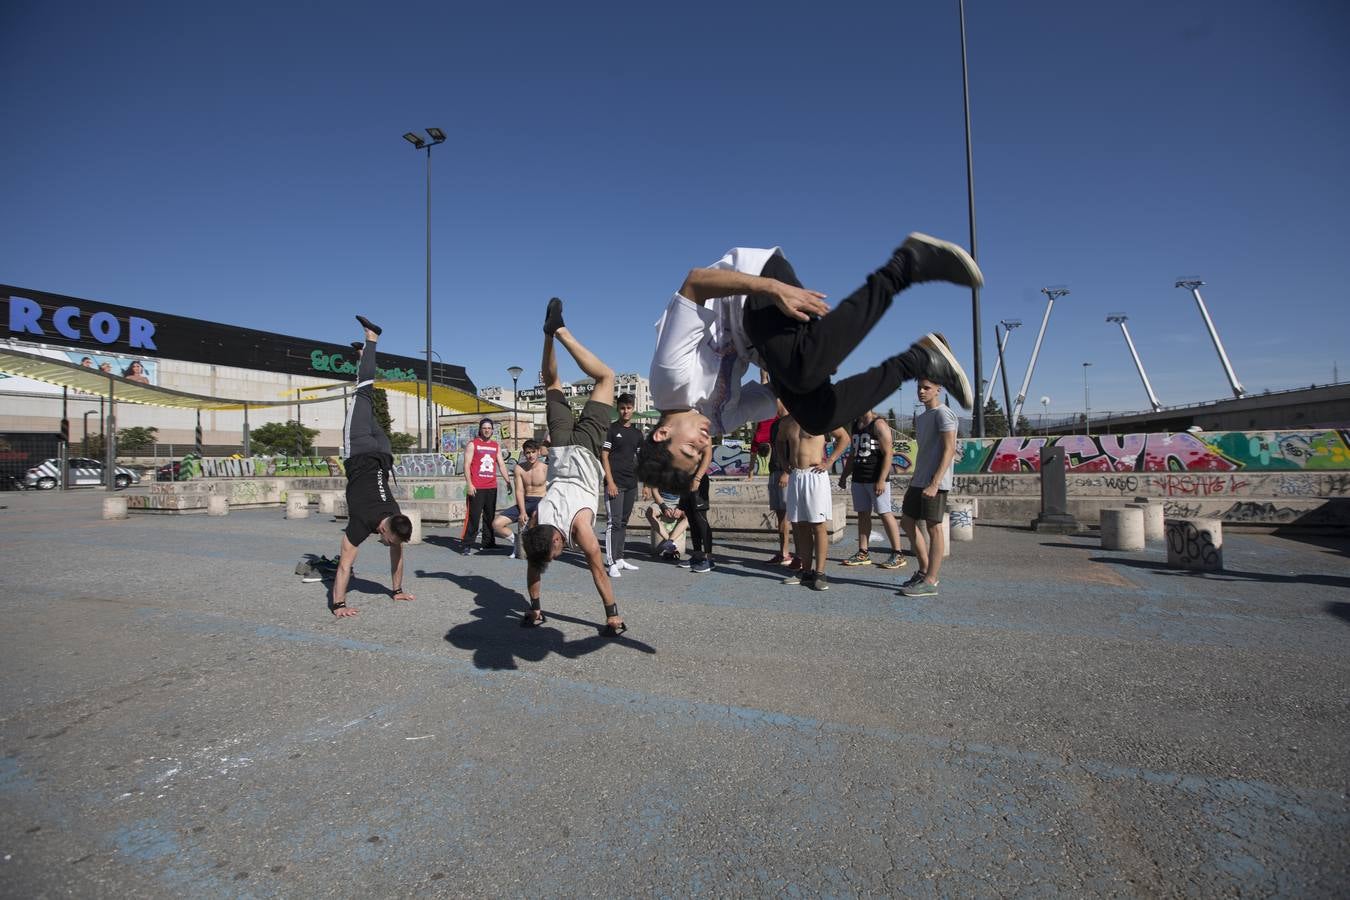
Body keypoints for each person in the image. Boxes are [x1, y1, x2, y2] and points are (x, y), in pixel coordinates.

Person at [637, 234, 980, 493]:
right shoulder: (719, 421)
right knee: (817, 416)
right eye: (699, 456)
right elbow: (777, 395)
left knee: (804, 369)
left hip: (755, 285)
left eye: (689, 449)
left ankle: (906, 264)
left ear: (661, 432)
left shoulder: (669, 378)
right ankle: (917, 359)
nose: (702, 446)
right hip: (760, 340)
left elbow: (694, 282)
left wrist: (771, 288)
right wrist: (818, 364)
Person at [518, 299, 626, 636]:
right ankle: (550, 336)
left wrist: (613, 616)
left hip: (586, 451)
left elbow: (597, 568)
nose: (555, 556)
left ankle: (561, 331)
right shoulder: (535, 527)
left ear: (554, 545)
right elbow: (534, 563)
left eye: (553, 554)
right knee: (553, 384)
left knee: (606, 377)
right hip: (562, 451)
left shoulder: (579, 527)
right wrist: (533, 610)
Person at [329, 315, 415, 618]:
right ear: (387, 532)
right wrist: (338, 605)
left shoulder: (394, 518)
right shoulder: (363, 523)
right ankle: (372, 338)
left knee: (366, 402)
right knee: (363, 393)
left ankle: (363, 357)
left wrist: (397, 590)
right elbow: (343, 565)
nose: (393, 545)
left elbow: (395, 553)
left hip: (384, 452)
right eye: (392, 542)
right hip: (363, 450)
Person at [899, 379, 959, 597]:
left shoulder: (944, 413)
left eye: (926, 388)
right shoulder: (922, 417)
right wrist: (916, 479)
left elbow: (949, 449)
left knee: (934, 528)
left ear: (938, 389)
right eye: (919, 388)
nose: (922, 392)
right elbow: (925, 451)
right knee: (906, 521)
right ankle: (924, 570)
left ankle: (931, 581)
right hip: (919, 479)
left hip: (936, 482)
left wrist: (935, 482)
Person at [780, 418, 850, 591]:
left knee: (818, 525)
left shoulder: (817, 416)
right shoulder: (786, 422)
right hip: (796, 475)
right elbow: (779, 441)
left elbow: (844, 437)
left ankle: (820, 573)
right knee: (800, 525)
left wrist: (830, 461)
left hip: (815, 474)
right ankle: (806, 570)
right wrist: (782, 461)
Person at [838, 410, 907, 570]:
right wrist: (844, 476)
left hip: (875, 478)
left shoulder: (879, 424)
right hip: (859, 477)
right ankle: (863, 552)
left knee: (884, 513)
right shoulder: (855, 424)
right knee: (862, 514)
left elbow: (888, 453)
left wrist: (881, 480)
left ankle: (898, 553)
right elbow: (853, 454)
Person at [601, 392, 643, 578]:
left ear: (633, 409)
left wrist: (646, 484)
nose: (626, 411)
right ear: (618, 409)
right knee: (614, 522)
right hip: (614, 483)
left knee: (623, 523)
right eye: (622, 408)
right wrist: (610, 481)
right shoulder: (611, 429)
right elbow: (604, 456)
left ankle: (619, 558)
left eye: (629, 407)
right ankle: (610, 562)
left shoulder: (637, 433)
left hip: (631, 483)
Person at [491, 439, 547, 557]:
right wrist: (522, 511)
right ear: (524, 453)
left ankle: (533, 549)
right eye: (528, 453)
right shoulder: (519, 468)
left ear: (538, 452)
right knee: (497, 524)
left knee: (535, 519)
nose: (530, 455)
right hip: (525, 502)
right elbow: (519, 491)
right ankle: (517, 541)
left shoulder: (545, 468)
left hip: (541, 501)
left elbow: (552, 490)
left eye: (533, 452)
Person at [461, 418, 508, 554]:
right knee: (473, 517)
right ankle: (467, 544)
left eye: (489, 428)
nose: (487, 430)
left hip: (491, 487)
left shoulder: (495, 446)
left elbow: (502, 464)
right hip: (476, 487)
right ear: (480, 430)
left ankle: (488, 543)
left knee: (489, 517)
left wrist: (507, 480)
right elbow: (466, 465)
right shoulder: (473, 444)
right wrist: (469, 484)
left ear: (492, 430)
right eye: (484, 428)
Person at [677, 442, 714, 574]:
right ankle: (697, 555)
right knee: (692, 520)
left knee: (701, 520)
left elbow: (708, 454)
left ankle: (709, 558)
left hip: (697, 479)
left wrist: (698, 478)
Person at [766, 400, 794, 567]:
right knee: (779, 514)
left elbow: (794, 450)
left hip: (786, 473)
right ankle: (783, 552)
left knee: (788, 514)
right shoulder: (775, 424)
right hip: (774, 470)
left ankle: (791, 554)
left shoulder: (793, 421)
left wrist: (786, 472)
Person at [644, 486, 688, 560]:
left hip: (680, 501)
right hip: (662, 501)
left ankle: (670, 540)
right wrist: (663, 507)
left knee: (690, 516)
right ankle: (670, 542)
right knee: (649, 513)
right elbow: (654, 490)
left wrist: (680, 507)